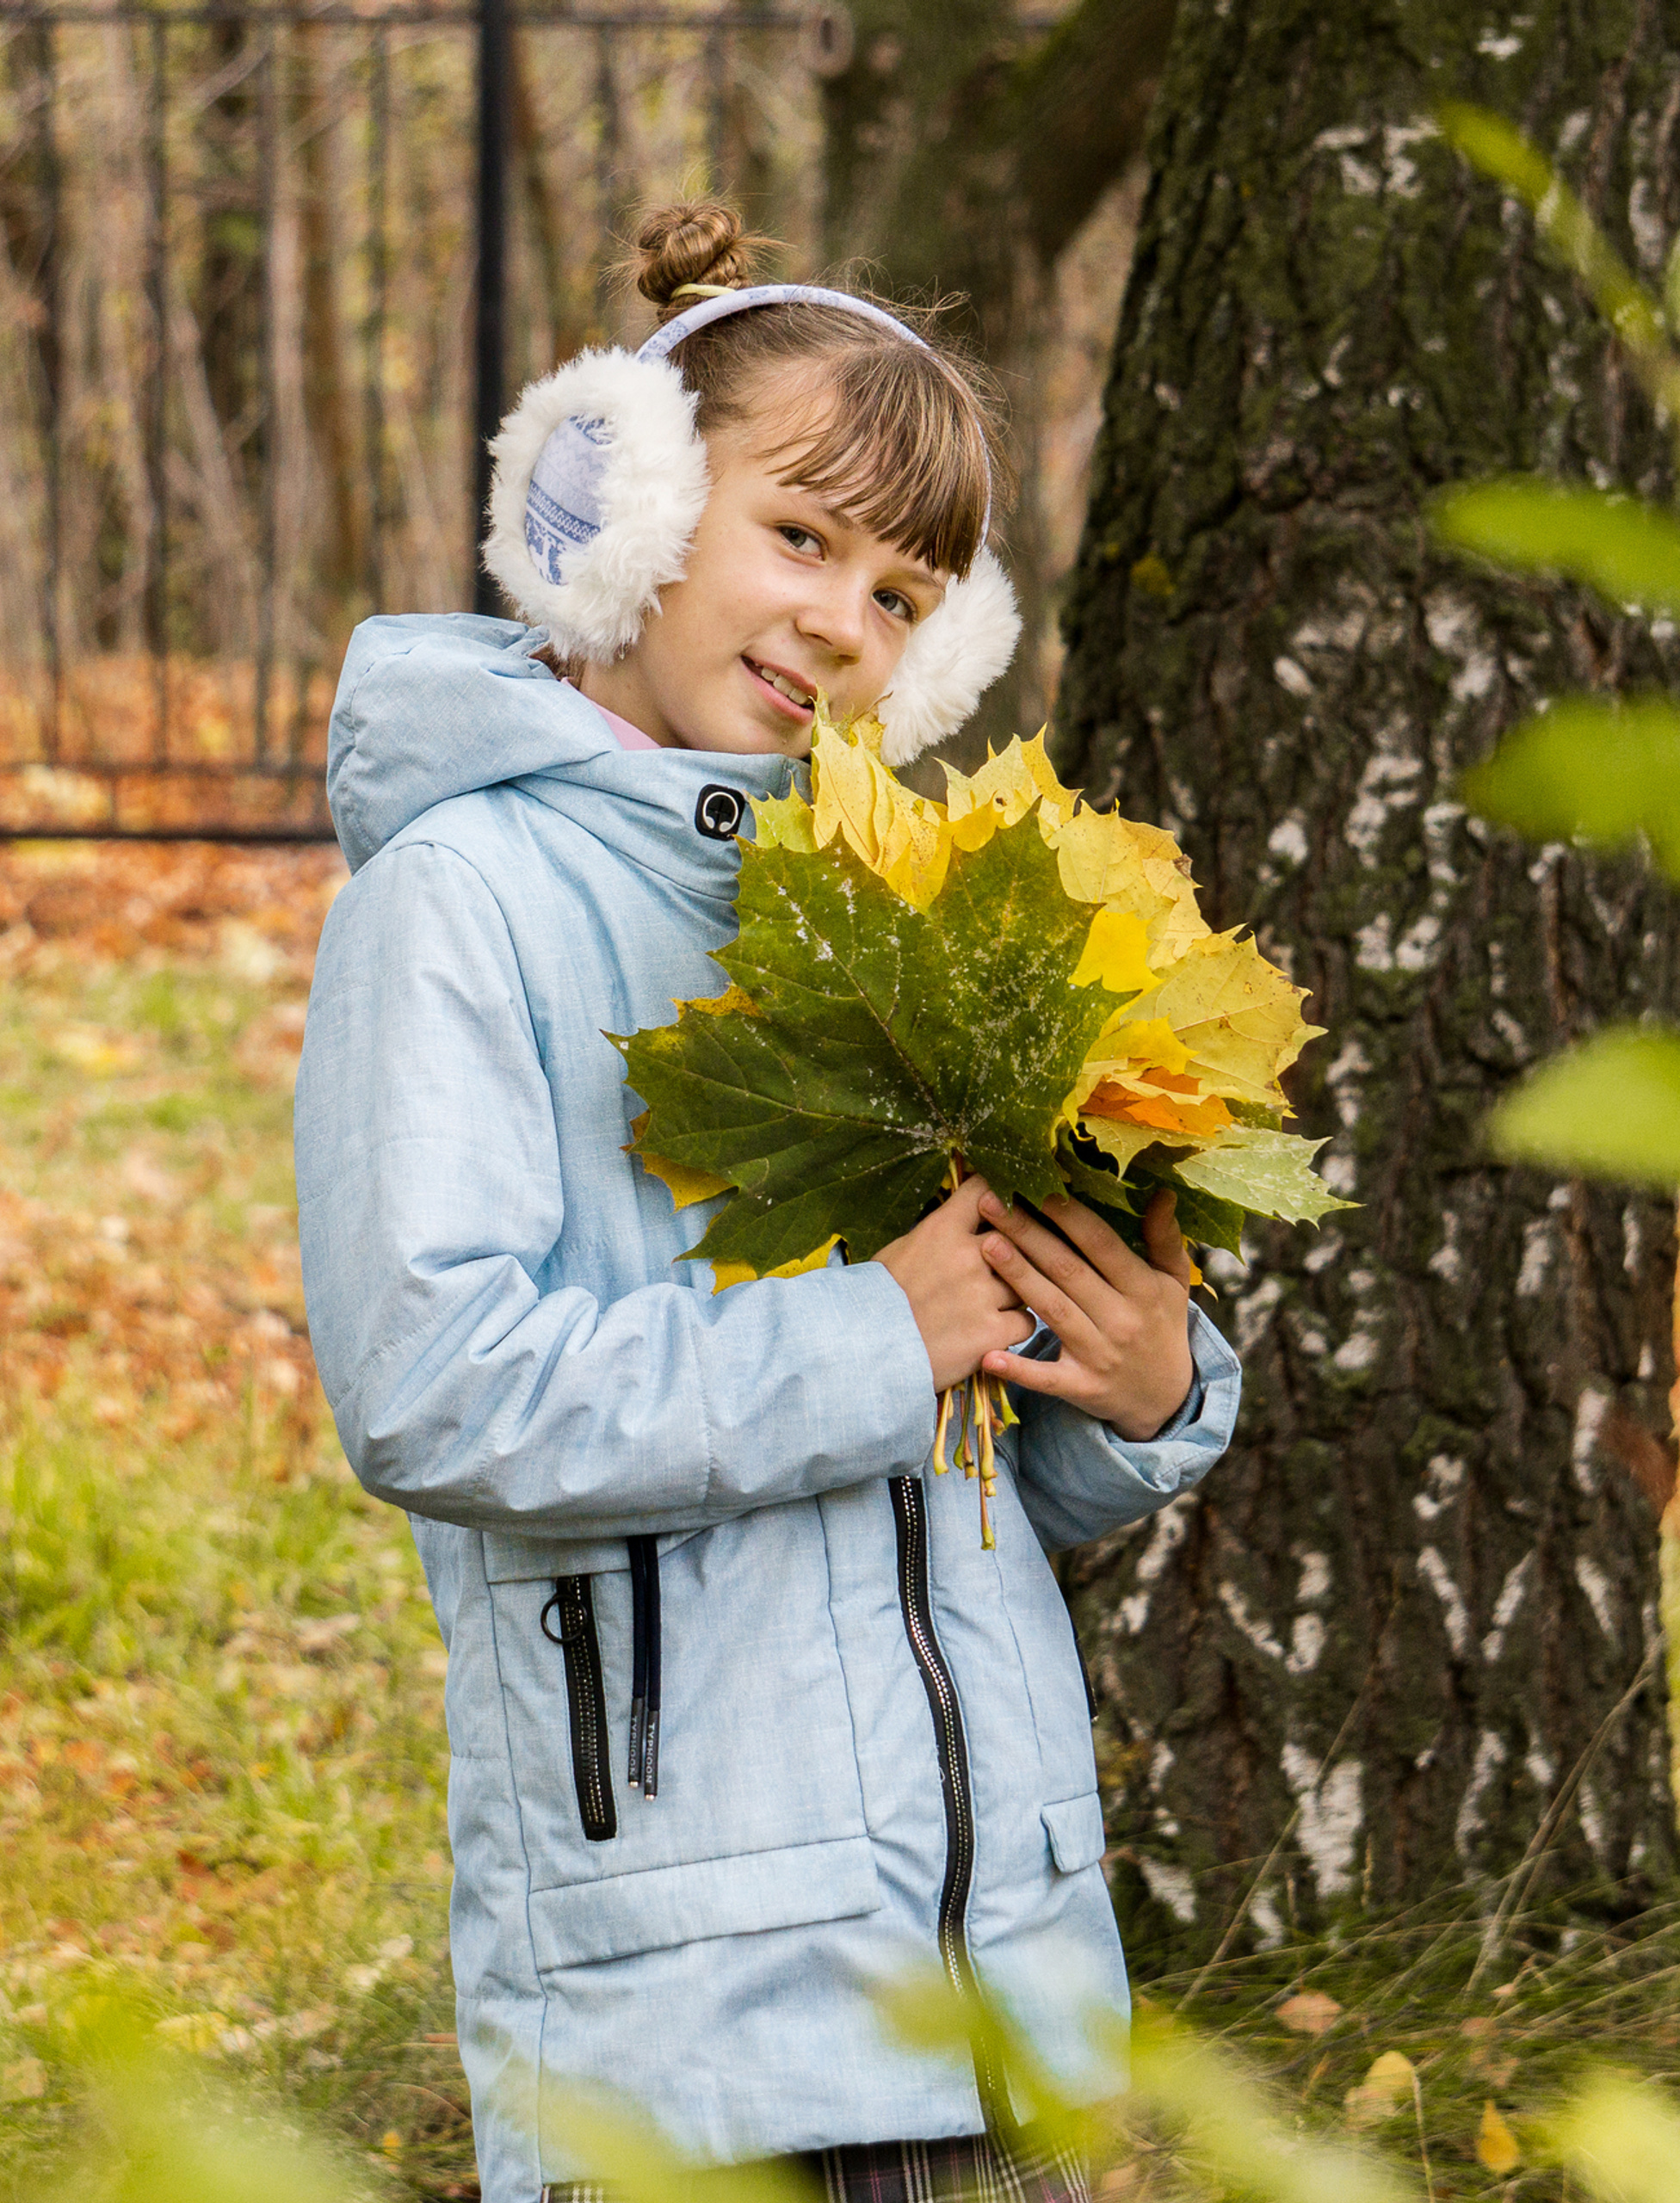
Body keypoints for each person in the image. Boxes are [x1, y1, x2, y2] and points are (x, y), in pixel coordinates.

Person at [294, 200, 1241, 2203]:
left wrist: (1133, 1391)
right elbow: (431, 1383)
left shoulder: (888, 902)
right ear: (620, 512)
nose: (840, 622)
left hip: (994, 1984)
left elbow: (944, 1459)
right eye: (796, 539)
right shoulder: (462, 899)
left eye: (905, 594)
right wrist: (860, 1332)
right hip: (689, 2006)